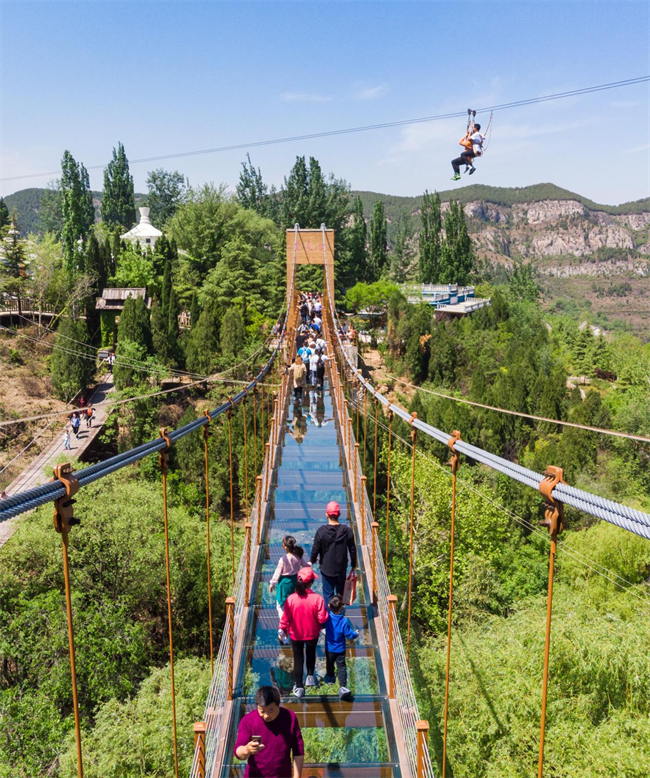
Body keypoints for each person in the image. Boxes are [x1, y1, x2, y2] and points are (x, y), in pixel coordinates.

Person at [234, 685, 304, 778]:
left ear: (278, 705)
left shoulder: (290, 717)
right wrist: (247, 749)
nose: (266, 715)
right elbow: (238, 753)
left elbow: (298, 749)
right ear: (257, 706)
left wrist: (297, 776)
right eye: (262, 711)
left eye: (271, 710)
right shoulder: (248, 721)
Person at [279, 567, 328, 698]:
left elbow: (285, 618)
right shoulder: (317, 599)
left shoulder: (291, 599)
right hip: (312, 634)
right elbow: (322, 619)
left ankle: (299, 686)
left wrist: (282, 629)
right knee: (311, 654)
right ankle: (310, 677)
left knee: (298, 658)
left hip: (296, 635)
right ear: (311, 583)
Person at [310, 501, 357, 605]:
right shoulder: (347, 531)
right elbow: (352, 549)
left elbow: (315, 549)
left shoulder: (321, 531)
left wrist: (312, 560)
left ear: (326, 514)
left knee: (328, 595)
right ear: (339, 514)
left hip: (326, 568)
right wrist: (354, 564)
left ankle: (330, 613)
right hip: (341, 568)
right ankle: (339, 611)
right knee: (340, 594)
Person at [269, 535, 310, 629]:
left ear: (285, 547)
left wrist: (272, 583)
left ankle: (283, 625)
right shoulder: (298, 556)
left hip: (284, 583)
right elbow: (305, 565)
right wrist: (312, 562)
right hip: (294, 582)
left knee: (280, 604)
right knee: (292, 601)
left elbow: (277, 573)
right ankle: (293, 620)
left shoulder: (283, 559)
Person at [323, 595, 359, 700]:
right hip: (341, 649)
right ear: (342, 607)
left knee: (329, 663)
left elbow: (320, 624)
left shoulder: (327, 618)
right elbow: (349, 634)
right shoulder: (344, 621)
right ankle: (343, 686)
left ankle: (330, 677)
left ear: (329, 606)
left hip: (330, 648)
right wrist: (355, 634)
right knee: (342, 666)